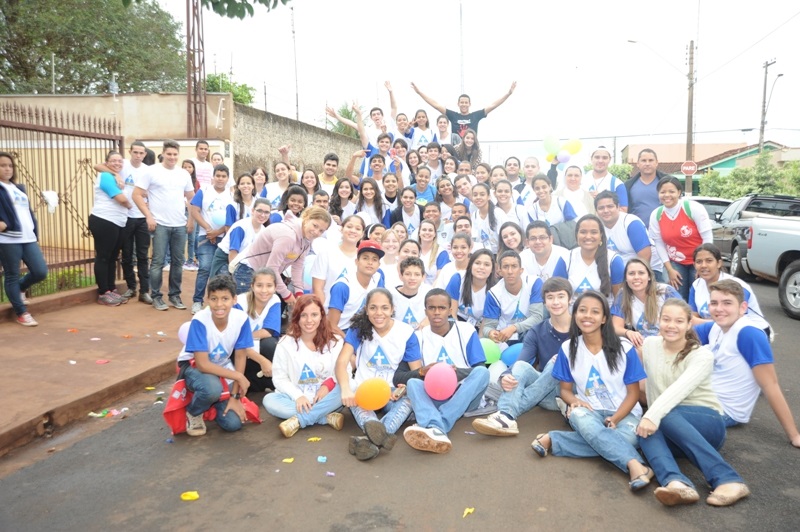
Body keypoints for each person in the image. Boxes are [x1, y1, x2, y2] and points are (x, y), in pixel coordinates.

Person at [532, 291, 652, 492]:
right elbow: (565, 391)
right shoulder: (568, 348)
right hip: (589, 411)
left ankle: (555, 440)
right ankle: (635, 465)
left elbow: (633, 394)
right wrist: (574, 401)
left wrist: (615, 418)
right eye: (582, 310)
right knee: (579, 416)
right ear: (575, 314)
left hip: (625, 413)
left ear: (604, 318)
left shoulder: (625, 348)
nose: (588, 316)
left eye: (595, 312)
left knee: (627, 438)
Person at [637, 299, 751, 507]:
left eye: (679, 321)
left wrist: (651, 415)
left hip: (707, 424)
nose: (671, 325)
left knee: (661, 415)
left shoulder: (701, 355)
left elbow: (677, 391)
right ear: (658, 321)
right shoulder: (650, 345)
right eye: (666, 319)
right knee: (644, 432)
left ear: (689, 324)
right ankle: (676, 484)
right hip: (668, 425)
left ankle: (728, 479)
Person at [695, 280, 800, 447]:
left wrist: (794, 435)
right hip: (703, 397)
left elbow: (770, 385)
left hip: (724, 410)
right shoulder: (716, 327)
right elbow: (681, 335)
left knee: (662, 419)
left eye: (727, 303)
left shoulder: (748, 333)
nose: (719, 308)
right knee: (644, 387)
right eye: (714, 303)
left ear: (743, 308)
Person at [472, 278, 573, 436]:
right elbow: (522, 360)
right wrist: (505, 376)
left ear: (570, 299)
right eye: (550, 297)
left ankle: (506, 414)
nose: (556, 302)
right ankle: (506, 415)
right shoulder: (537, 330)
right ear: (544, 303)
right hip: (546, 395)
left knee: (558, 361)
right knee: (520, 367)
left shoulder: (582, 328)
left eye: (561, 296)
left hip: (571, 392)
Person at [336, 288, 423, 461]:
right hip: (364, 389)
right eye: (373, 308)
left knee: (410, 398)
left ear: (392, 309)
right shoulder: (357, 329)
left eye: (384, 308)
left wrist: (402, 389)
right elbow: (341, 362)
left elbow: (415, 372)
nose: (379, 313)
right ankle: (381, 436)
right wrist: (346, 389)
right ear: (366, 309)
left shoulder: (406, 332)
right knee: (353, 393)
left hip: (391, 391)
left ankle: (368, 441)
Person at [400, 289, 489, 453]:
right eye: (431, 308)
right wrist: (421, 371)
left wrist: (457, 373)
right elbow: (399, 376)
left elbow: (480, 368)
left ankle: (436, 425)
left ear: (450, 310)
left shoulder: (466, 330)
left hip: (464, 396)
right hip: (435, 397)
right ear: (425, 310)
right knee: (413, 382)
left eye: (441, 308)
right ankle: (439, 428)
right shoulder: (417, 337)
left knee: (483, 374)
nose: (436, 312)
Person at [177, 275, 253, 437]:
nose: (219, 304)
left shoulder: (241, 319)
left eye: (225, 298)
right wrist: (238, 376)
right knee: (212, 389)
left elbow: (240, 357)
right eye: (214, 299)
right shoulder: (199, 320)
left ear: (234, 299)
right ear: (207, 300)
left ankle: (213, 404)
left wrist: (234, 397)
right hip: (193, 367)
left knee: (233, 424)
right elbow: (202, 364)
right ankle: (194, 411)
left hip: (222, 367)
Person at [263, 295, 346, 438]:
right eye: (303, 315)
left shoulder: (335, 341)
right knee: (269, 401)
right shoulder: (285, 344)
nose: (309, 321)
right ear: (296, 318)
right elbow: (280, 378)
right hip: (297, 401)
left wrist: (327, 385)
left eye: (314, 314)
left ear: (321, 315)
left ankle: (301, 420)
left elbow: (344, 371)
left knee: (352, 385)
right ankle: (323, 417)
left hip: (327, 397)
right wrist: (298, 396)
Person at [132, 139, 195, 312]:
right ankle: (156, 296)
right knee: (158, 261)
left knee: (178, 261)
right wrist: (149, 216)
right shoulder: (151, 172)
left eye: (175, 154)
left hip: (179, 224)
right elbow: (136, 195)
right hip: (160, 224)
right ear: (163, 154)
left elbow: (191, 198)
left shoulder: (183, 174)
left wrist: (190, 220)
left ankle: (174, 295)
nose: (172, 157)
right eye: (169, 154)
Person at [229, 206, 331, 301]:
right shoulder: (288, 236)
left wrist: (299, 292)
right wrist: (286, 294)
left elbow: (298, 266)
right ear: (307, 219)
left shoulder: (307, 240)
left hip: (265, 277)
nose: (316, 232)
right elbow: (272, 268)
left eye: (321, 231)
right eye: (315, 225)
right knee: (245, 314)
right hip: (248, 273)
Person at [0, 151, 47, 326]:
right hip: (8, 239)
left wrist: (34, 230)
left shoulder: (17, 188)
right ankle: (21, 312)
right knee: (11, 275)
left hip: (27, 237)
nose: (7, 169)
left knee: (40, 271)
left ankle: (20, 288)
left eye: (10, 165)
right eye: (3, 165)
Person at [649, 176, 713, 301]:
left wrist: (703, 264)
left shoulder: (693, 208)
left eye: (671, 191)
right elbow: (659, 243)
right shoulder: (656, 215)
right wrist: (669, 269)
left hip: (698, 260)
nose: (667, 195)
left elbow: (707, 237)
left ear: (679, 192)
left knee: (699, 296)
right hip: (676, 262)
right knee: (677, 298)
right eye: (663, 192)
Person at [689, 244, 770, 335]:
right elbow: (692, 318)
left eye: (709, 261)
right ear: (694, 265)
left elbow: (734, 321)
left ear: (719, 263)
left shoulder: (736, 286)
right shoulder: (696, 285)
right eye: (699, 262)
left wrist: (702, 322)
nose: (703, 265)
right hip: (718, 330)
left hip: (751, 332)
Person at [89, 151, 133, 306]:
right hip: (104, 220)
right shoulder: (106, 176)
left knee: (113, 257)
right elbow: (120, 198)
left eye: (120, 161)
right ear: (106, 163)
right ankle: (103, 292)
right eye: (113, 161)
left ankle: (111, 289)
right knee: (103, 256)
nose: (117, 164)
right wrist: (129, 205)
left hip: (117, 221)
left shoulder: (117, 175)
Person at [190, 164, 235, 314]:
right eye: (218, 176)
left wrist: (217, 232)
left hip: (225, 238)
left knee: (222, 273)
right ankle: (197, 301)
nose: (220, 179)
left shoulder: (232, 194)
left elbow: (232, 219)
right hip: (205, 236)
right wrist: (208, 229)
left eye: (223, 176)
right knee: (205, 268)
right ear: (213, 177)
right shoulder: (204, 191)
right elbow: (194, 210)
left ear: (228, 178)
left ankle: (217, 303)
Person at [553, 215, 624, 305]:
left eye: (594, 232)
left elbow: (620, 302)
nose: (588, 236)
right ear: (576, 235)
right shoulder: (566, 258)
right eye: (583, 232)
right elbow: (555, 293)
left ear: (601, 236)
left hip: (605, 315)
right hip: (572, 314)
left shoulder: (614, 260)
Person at [611, 258, 680, 350]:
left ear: (649, 276)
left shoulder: (666, 291)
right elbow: (615, 326)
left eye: (641, 273)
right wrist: (628, 332)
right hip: (643, 343)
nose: (636, 277)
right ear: (626, 278)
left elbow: (681, 320)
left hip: (669, 338)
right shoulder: (623, 294)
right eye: (631, 273)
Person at [595, 191, 664, 281]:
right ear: (596, 211)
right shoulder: (597, 226)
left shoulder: (631, 223)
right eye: (601, 208)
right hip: (618, 272)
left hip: (647, 269)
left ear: (618, 207)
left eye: (610, 206)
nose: (606, 211)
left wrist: (632, 278)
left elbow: (645, 256)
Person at [233, 268, 281, 393]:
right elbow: (235, 340)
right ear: (252, 286)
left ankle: (273, 383)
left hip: (252, 344)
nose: (264, 290)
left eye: (269, 286)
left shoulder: (274, 300)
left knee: (271, 344)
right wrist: (262, 360)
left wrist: (245, 337)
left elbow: (268, 332)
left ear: (275, 287)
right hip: (238, 350)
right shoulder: (240, 303)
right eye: (259, 285)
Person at [482, 250, 544, 347]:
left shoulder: (534, 283)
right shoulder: (494, 293)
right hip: (505, 337)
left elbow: (537, 317)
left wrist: (513, 328)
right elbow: (488, 326)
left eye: (514, 266)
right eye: (506, 267)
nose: (510, 271)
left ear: (521, 270)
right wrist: (491, 333)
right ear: (500, 271)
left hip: (530, 332)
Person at [411, 81, 517, 138]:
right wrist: (419, 92)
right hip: (457, 148)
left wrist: (508, 94)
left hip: (472, 147)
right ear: (458, 104)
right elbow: (436, 105)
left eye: (466, 102)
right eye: (462, 102)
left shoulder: (476, 115)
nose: (464, 104)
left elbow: (493, 105)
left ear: (470, 104)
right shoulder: (453, 116)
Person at [116, 141, 152, 302]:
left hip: (142, 217)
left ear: (145, 154)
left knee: (143, 256)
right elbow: (99, 166)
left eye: (141, 153)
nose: (138, 156)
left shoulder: (148, 170)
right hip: (125, 216)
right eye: (135, 152)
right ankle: (131, 287)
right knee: (127, 255)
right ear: (130, 152)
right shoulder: (121, 164)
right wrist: (116, 174)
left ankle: (144, 291)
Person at [328, 240, 386, 337]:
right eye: (365, 258)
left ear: (379, 265)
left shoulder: (378, 278)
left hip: (365, 330)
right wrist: (350, 344)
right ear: (357, 261)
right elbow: (331, 325)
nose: (370, 263)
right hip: (340, 332)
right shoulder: (343, 286)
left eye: (374, 259)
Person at [311, 215, 364, 305]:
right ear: (341, 229)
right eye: (349, 226)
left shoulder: (364, 257)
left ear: (362, 234)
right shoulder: (326, 253)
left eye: (358, 229)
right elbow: (317, 288)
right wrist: (324, 314)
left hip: (355, 315)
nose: (353, 231)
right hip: (328, 312)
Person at [210, 199, 270, 278]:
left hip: (242, 262)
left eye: (266, 212)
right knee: (221, 287)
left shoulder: (263, 231)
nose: (262, 215)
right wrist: (235, 275)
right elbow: (232, 254)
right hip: (225, 259)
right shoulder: (241, 227)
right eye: (259, 211)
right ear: (252, 211)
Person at [447, 249, 495, 328]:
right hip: (456, 322)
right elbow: (452, 313)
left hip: (478, 326)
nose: (481, 267)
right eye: (477, 263)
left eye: (486, 265)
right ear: (470, 265)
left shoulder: (494, 290)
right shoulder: (458, 278)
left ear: (492, 269)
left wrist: (479, 340)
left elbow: (485, 324)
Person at [625, 148, 667, 225]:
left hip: (664, 231)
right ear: (638, 163)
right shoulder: (628, 186)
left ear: (656, 163)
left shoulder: (667, 183)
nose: (647, 164)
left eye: (651, 160)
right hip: (638, 231)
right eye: (644, 160)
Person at [388, 257, 431, 331]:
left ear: (423, 277)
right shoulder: (390, 295)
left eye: (417, 274)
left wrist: (429, 319)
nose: (412, 278)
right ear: (400, 276)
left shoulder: (428, 293)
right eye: (408, 274)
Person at [581, 146, 628, 211]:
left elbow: (623, 210)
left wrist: (602, 199)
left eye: (604, 158)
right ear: (591, 159)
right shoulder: (581, 180)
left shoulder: (617, 184)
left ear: (609, 160)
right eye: (597, 157)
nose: (600, 161)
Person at [471, 182, 506, 254]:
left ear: (489, 196)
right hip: (483, 254)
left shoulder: (498, 213)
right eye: (475, 195)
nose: (478, 197)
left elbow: (504, 237)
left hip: (499, 254)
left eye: (482, 194)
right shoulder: (474, 215)